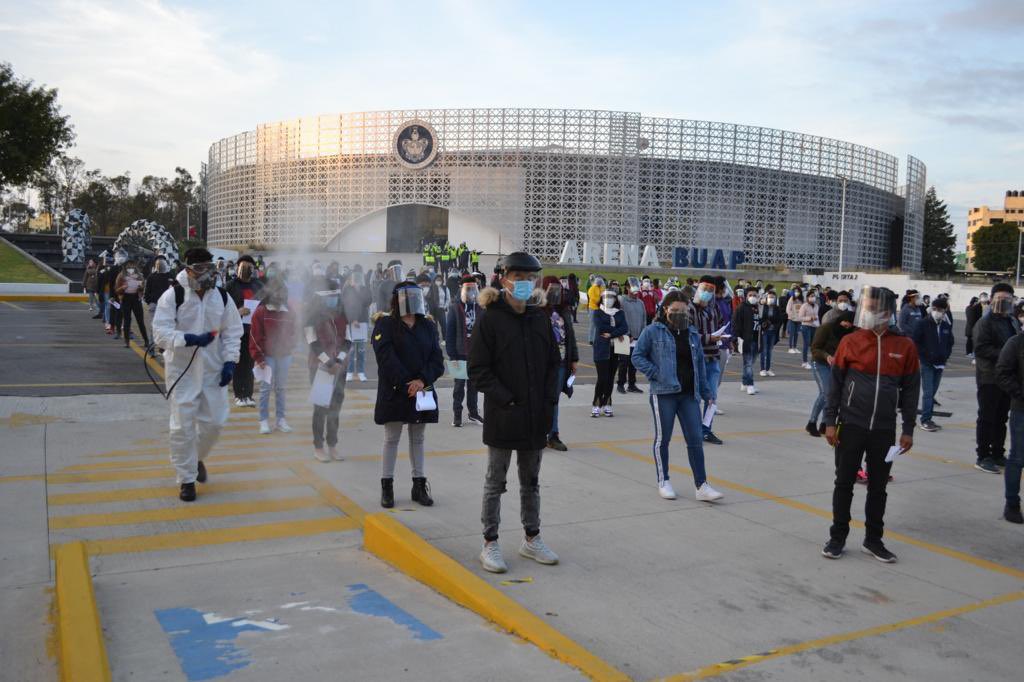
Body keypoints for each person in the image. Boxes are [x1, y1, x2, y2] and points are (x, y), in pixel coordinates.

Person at [469, 251, 560, 574]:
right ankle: (490, 542)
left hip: (536, 416)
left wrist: (549, 399)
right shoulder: (490, 319)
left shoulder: (539, 317)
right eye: (517, 277)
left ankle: (531, 537)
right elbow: (478, 370)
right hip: (504, 415)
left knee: (531, 481)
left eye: (529, 278)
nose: (523, 284)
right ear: (503, 278)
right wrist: (506, 400)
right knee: (495, 481)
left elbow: (553, 362)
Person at [822, 286, 920, 563]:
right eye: (867, 307)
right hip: (851, 424)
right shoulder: (851, 341)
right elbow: (835, 385)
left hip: (884, 429)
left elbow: (911, 391)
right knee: (844, 483)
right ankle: (837, 537)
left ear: (888, 312)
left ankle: (873, 539)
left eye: (875, 308)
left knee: (878, 487)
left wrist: (909, 429)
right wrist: (830, 421)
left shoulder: (904, 346)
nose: (868, 312)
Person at [151, 247, 243, 502]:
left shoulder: (222, 298)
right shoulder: (173, 296)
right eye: (200, 269)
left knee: (215, 423)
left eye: (209, 269)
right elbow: (160, 333)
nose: (206, 275)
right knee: (182, 427)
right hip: (182, 371)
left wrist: (230, 362)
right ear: (188, 269)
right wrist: (187, 338)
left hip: (213, 370)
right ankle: (187, 479)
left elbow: (233, 332)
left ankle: (196, 457)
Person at [632, 291, 723, 502]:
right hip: (664, 393)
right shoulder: (654, 331)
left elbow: (699, 363)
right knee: (663, 439)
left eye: (684, 311)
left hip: (689, 394)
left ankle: (701, 485)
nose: (680, 314)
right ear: (665, 309)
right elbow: (637, 356)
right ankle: (663, 481)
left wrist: (707, 392)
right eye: (675, 310)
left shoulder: (691, 333)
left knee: (695, 440)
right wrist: (655, 373)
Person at [371, 281, 445, 508]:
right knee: (391, 438)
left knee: (418, 438)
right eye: (405, 296)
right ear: (396, 300)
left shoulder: (428, 326)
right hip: (395, 389)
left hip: (421, 388)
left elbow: (437, 360)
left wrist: (422, 380)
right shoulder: (385, 324)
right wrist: (406, 383)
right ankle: (387, 485)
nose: (410, 300)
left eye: (415, 295)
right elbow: (385, 358)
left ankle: (419, 484)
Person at [973, 283, 1019, 474]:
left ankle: (998, 452)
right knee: (987, 417)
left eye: (1008, 299)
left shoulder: (1011, 321)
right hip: (989, 377)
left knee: (1001, 418)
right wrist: (1008, 355)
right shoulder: (984, 322)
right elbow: (981, 348)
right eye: (1000, 299)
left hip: (1007, 379)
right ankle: (983, 455)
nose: (1004, 303)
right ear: (991, 299)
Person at [305, 288, 350, 462]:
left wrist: (338, 361)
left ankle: (333, 445)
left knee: (335, 408)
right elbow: (313, 343)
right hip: (320, 367)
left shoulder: (342, 316)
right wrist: (328, 363)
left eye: (335, 296)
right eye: (329, 296)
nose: (333, 300)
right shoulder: (311, 317)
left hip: (339, 367)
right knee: (321, 409)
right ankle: (318, 447)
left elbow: (348, 340)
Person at [249, 279, 297, 435]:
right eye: (278, 291)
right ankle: (263, 421)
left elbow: (293, 332)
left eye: (283, 291)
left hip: (284, 355)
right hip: (267, 356)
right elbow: (255, 337)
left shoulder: (289, 311)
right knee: (265, 389)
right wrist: (259, 358)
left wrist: (289, 348)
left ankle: (280, 420)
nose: (281, 295)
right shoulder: (261, 311)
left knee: (281, 388)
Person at [540, 275, 578, 451]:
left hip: (561, 362)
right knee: (541, 399)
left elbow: (570, 336)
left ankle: (553, 434)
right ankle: (538, 433)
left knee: (554, 399)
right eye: (551, 289)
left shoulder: (564, 310)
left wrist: (574, 359)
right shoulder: (538, 310)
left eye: (557, 289)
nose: (555, 293)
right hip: (543, 362)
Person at [994, 302, 1024, 524]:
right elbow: (1003, 373)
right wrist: (1019, 393)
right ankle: (1012, 503)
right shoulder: (1016, 343)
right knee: (1018, 457)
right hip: (1021, 409)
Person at [807, 310, 857, 437]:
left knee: (833, 394)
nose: (845, 329)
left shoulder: (851, 333)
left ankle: (825, 423)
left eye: (849, 327)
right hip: (820, 363)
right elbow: (815, 348)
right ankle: (812, 423)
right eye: (844, 325)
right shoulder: (826, 328)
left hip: (836, 366)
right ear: (840, 321)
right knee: (825, 393)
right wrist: (827, 356)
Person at [445, 275, 484, 427]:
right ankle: (457, 414)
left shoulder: (480, 308)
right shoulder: (456, 308)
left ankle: (473, 413)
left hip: (476, 354)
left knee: (474, 385)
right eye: (468, 289)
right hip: (460, 354)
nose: (471, 292)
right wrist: (452, 355)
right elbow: (450, 332)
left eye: (474, 289)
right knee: (459, 386)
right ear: (462, 289)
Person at [226, 256, 263, 407]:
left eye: (248, 268)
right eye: (242, 268)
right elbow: (223, 308)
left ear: (253, 269)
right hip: (236, 330)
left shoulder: (258, 286)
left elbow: (264, 305)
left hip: (252, 330)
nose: (244, 271)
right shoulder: (230, 286)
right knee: (238, 363)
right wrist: (237, 311)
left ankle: (248, 394)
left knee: (249, 364)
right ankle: (238, 395)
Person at [912, 298, 953, 433]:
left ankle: (928, 417)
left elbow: (949, 342)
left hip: (940, 364)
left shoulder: (946, 325)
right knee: (928, 393)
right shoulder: (923, 323)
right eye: (934, 309)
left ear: (945, 311)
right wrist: (925, 355)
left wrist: (945, 355)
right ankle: (925, 420)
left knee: (933, 392)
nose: (937, 312)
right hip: (927, 363)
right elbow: (915, 341)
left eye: (940, 310)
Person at [693, 276, 725, 444]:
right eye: (704, 289)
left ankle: (707, 429)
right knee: (696, 396)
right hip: (699, 358)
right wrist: (709, 337)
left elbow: (720, 325)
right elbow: (690, 335)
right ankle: (694, 429)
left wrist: (722, 336)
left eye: (711, 291)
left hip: (714, 357)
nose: (707, 293)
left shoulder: (714, 309)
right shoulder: (691, 309)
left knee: (712, 397)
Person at [591, 288, 629, 417]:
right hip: (601, 349)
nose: (608, 300)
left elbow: (625, 327)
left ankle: (607, 402)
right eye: (606, 297)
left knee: (611, 378)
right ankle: (596, 403)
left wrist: (612, 334)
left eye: (611, 297)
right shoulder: (597, 312)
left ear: (615, 299)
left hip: (615, 349)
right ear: (601, 298)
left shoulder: (620, 313)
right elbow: (600, 327)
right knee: (602, 378)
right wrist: (617, 332)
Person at [617, 277, 647, 394]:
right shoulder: (622, 300)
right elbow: (619, 318)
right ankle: (620, 384)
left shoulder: (640, 303)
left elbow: (644, 319)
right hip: (624, 337)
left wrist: (642, 333)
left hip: (637, 337)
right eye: (632, 287)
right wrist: (626, 333)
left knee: (634, 362)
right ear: (627, 288)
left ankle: (632, 384)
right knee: (623, 362)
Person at [341, 269, 372, 381]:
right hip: (351, 322)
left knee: (361, 349)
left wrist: (362, 290)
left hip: (363, 321)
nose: (357, 282)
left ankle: (360, 372)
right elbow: (347, 306)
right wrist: (353, 319)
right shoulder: (347, 290)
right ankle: (349, 371)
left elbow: (368, 301)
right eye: (355, 280)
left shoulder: (364, 289)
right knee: (351, 349)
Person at [732, 288, 762, 395]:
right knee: (748, 364)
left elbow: (762, 321)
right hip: (746, 340)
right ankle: (750, 384)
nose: (753, 297)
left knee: (750, 363)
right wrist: (737, 338)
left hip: (757, 340)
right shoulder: (741, 308)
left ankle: (744, 383)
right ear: (746, 296)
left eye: (755, 295)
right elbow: (735, 323)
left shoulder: (758, 308)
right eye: (750, 295)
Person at [115, 260, 150, 348]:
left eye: (132, 265)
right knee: (127, 321)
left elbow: (143, 287)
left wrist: (141, 288)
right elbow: (116, 290)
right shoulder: (121, 276)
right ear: (125, 267)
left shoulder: (139, 276)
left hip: (136, 299)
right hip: (126, 298)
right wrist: (123, 287)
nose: (131, 268)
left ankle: (146, 340)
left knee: (140, 321)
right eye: (129, 266)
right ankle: (127, 342)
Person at [759, 291, 784, 377]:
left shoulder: (777, 308)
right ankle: (762, 369)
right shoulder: (763, 307)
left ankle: (768, 368)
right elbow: (760, 318)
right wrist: (764, 324)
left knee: (769, 351)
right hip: (764, 331)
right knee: (764, 350)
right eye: (769, 297)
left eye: (773, 297)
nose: (771, 299)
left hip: (773, 332)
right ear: (766, 298)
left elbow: (780, 320)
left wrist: (774, 326)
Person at [965, 294, 985, 359]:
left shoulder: (972, 308)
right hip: (971, 328)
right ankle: (968, 353)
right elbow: (974, 317)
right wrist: (978, 306)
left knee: (973, 341)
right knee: (970, 341)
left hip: (972, 327)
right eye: (976, 302)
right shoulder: (971, 309)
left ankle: (971, 352)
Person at [785, 287, 804, 353]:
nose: (797, 293)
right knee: (792, 334)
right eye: (795, 291)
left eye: (798, 291)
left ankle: (795, 347)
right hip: (792, 319)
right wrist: (791, 316)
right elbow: (788, 309)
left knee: (796, 334)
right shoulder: (791, 299)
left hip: (799, 320)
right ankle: (790, 348)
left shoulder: (801, 300)